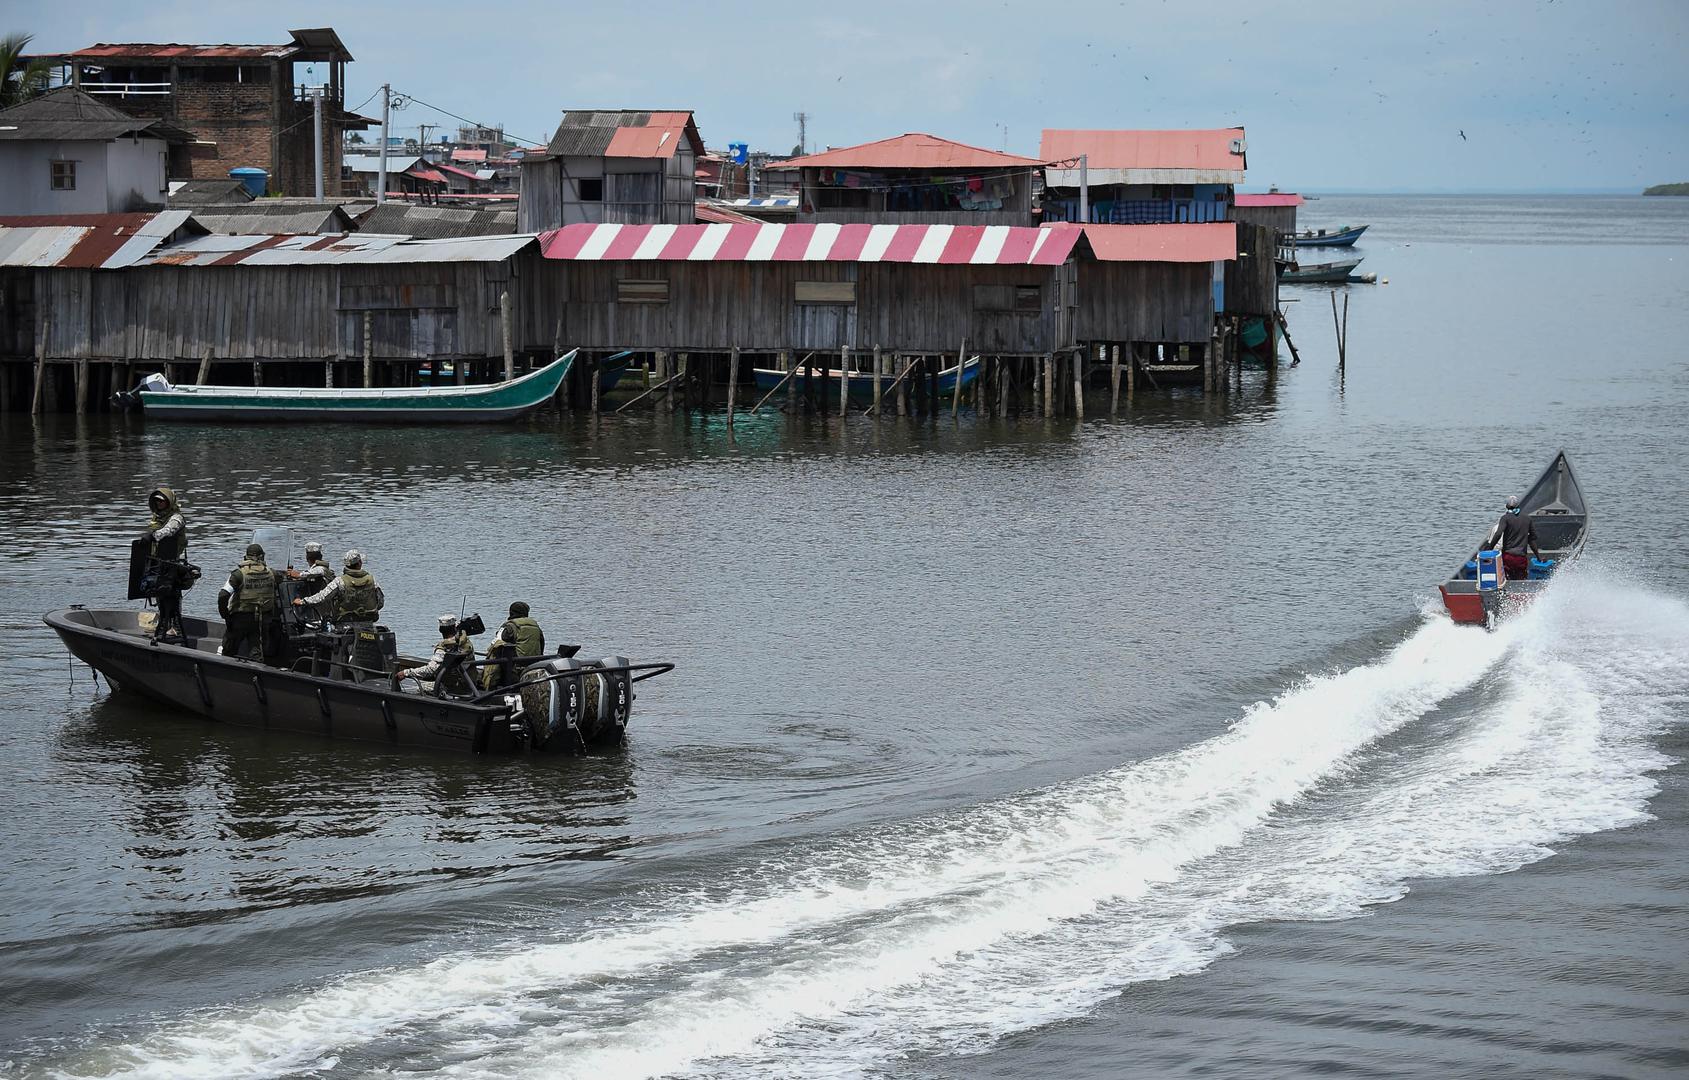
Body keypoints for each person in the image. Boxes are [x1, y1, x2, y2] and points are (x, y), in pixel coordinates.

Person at [139, 487, 191, 640]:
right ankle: (164, 624)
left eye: (162, 501)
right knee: (161, 597)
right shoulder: (156, 518)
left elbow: (169, 530)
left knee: (172, 596)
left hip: (172, 564)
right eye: (156, 501)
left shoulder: (176, 518)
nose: (159, 503)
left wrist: (153, 535)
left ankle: (174, 627)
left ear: (169, 502)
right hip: (157, 564)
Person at [218, 543, 278, 660]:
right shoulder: (272, 573)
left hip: (240, 618)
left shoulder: (239, 574)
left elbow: (223, 594)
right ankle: (256, 674)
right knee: (257, 653)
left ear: (246, 557)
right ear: (262, 557)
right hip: (261, 620)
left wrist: (225, 615)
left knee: (229, 651)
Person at [293, 549, 384, 623]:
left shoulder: (340, 581)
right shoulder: (372, 580)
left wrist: (302, 601)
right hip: (368, 623)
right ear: (360, 563)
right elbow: (380, 602)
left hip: (344, 625)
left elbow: (321, 597)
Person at [398, 614, 477, 696]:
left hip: (451, 688)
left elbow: (430, 670)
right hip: (470, 685)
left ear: (440, 630)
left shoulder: (444, 647)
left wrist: (406, 672)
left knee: (419, 688)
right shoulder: (466, 642)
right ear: (454, 627)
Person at [480, 601, 546, 689]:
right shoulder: (536, 627)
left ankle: (490, 685)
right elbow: (542, 646)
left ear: (511, 612)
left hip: (513, 672)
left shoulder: (509, 626)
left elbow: (494, 646)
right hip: (533, 668)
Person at [1484, 494, 1545, 582]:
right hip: (1521, 558)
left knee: (1507, 580)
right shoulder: (1527, 519)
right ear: (1519, 506)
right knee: (1520, 581)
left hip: (1508, 557)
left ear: (1506, 506)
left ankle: (1506, 594)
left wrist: (1489, 548)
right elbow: (1532, 540)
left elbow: (1498, 534)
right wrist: (1538, 557)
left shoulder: (1505, 518)